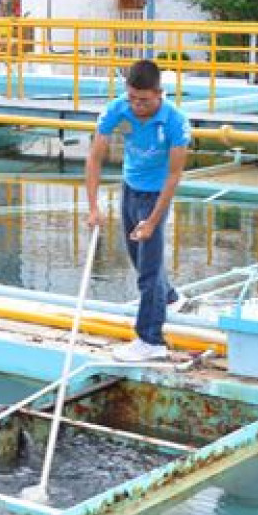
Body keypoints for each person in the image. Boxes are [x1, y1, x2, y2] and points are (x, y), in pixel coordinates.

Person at [85, 59, 191, 361]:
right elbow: (94, 159)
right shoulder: (118, 109)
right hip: (130, 187)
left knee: (148, 271)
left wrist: (152, 221)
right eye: (132, 98)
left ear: (159, 93)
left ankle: (151, 340)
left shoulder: (175, 122)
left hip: (157, 193)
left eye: (144, 100)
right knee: (138, 258)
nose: (137, 106)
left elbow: (173, 176)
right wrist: (93, 208)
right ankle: (168, 297)